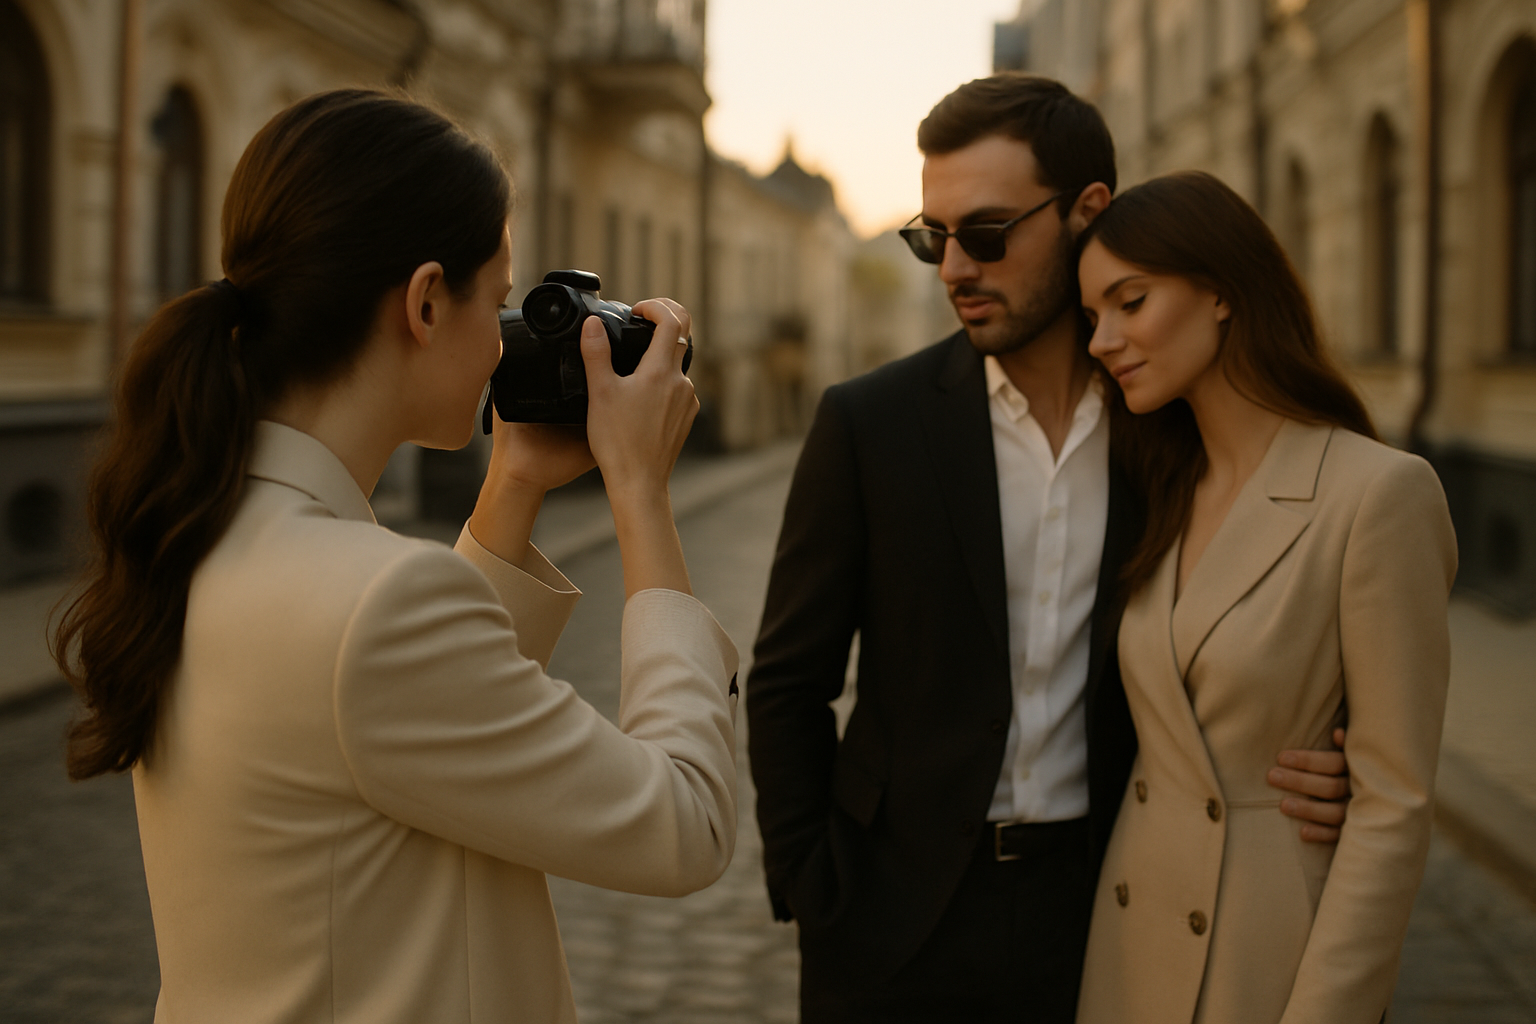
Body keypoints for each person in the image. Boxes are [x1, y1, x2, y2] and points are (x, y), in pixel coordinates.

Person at [53, 90, 738, 1024]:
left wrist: (516, 483)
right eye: (496, 304)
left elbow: (418, 723)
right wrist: (642, 498)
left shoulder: (201, 533)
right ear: (423, 301)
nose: (504, 346)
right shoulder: (376, 599)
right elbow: (684, 827)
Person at [747, 74, 1354, 1023]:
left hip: (1116, 900)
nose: (953, 269)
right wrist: (810, 882)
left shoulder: (1176, 433)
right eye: (931, 238)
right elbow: (788, 680)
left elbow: (1285, 621)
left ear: (1087, 212)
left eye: (985, 235)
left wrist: (1335, 748)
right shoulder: (870, 423)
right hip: (892, 918)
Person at [1074, 170, 1455, 1023]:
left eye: (1129, 302)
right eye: (1093, 315)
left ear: (1219, 292)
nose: (1102, 338)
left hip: (1262, 954)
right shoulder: (1163, 485)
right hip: (1128, 944)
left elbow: (1394, 807)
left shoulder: (1379, 494)